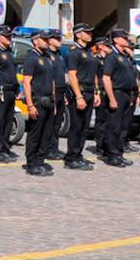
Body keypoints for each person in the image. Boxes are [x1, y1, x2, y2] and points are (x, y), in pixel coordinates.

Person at [100, 28, 138, 168]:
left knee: (123, 127)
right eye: (123, 37)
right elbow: (106, 78)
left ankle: (119, 153)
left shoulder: (125, 56)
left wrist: (132, 96)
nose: (126, 39)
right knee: (114, 127)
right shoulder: (112, 56)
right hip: (117, 93)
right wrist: (111, 98)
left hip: (127, 94)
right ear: (115, 39)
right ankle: (112, 154)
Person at [21, 31, 56, 176]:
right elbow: (27, 82)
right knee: (35, 133)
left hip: (48, 100)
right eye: (44, 39)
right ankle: (31, 163)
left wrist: (53, 99)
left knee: (46, 133)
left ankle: (40, 160)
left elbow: (51, 80)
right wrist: (30, 105)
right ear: (35, 41)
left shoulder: (47, 57)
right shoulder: (32, 58)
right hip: (38, 100)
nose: (47, 41)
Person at [63, 24, 97, 171]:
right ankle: (71, 157)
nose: (90, 34)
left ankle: (78, 154)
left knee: (84, 127)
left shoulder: (88, 51)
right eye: (87, 32)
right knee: (76, 126)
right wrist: (78, 96)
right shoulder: (74, 52)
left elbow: (92, 74)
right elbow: (72, 75)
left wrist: (95, 93)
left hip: (89, 91)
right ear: (78, 34)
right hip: (80, 92)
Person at [0, 26, 19, 163]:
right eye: (6, 36)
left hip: (11, 90)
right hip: (1, 90)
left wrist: (17, 88)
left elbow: (12, 71)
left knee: (8, 120)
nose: (9, 38)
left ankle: (5, 146)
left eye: (10, 36)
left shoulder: (9, 52)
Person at [45, 31, 66, 161]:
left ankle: (54, 147)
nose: (59, 41)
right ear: (50, 40)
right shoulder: (47, 55)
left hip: (60, 92)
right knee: (50, 122)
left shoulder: (59, 54)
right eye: (57, 38)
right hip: (51, 92)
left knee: (57, 123)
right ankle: (47, 149)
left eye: (60, 38)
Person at [90, 36, 111, 157]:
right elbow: (95, 77)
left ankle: (106, 143)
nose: (109, 48)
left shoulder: (109, 59)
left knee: (109, 119)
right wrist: (96, 92)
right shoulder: (96, 60)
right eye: (107, 46)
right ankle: (99, 144)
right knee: (101, 119)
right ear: (101, 46)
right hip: (101, 90)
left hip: (109, 91)